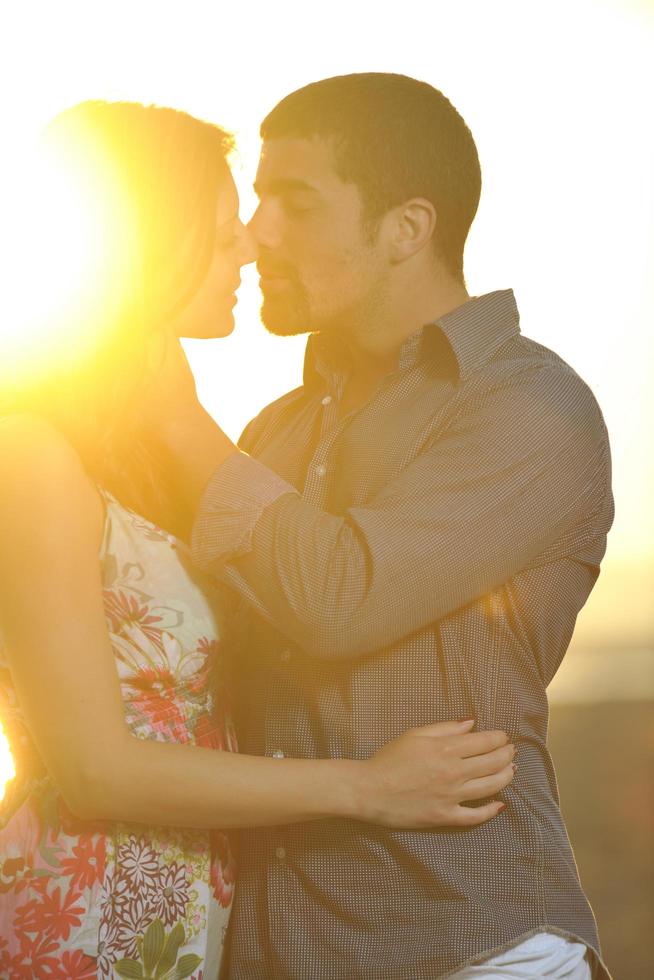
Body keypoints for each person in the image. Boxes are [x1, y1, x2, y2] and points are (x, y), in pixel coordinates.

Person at [0, 100, 516, 979]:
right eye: (219, 224)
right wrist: (368, 788)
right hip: (83, 917)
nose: (248, 245)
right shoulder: (31, 451)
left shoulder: (152, 458)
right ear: (147, 241)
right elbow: (89, 768)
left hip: (194, 918)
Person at [146, 74, 615, 979]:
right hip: (280, 950)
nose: (255, 234)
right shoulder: (272, 432)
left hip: (472, 946)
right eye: (255, 201)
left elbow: (340, 600)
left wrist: (172, 419)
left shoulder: (531, 406)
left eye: (296, 202)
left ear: (407, 227)